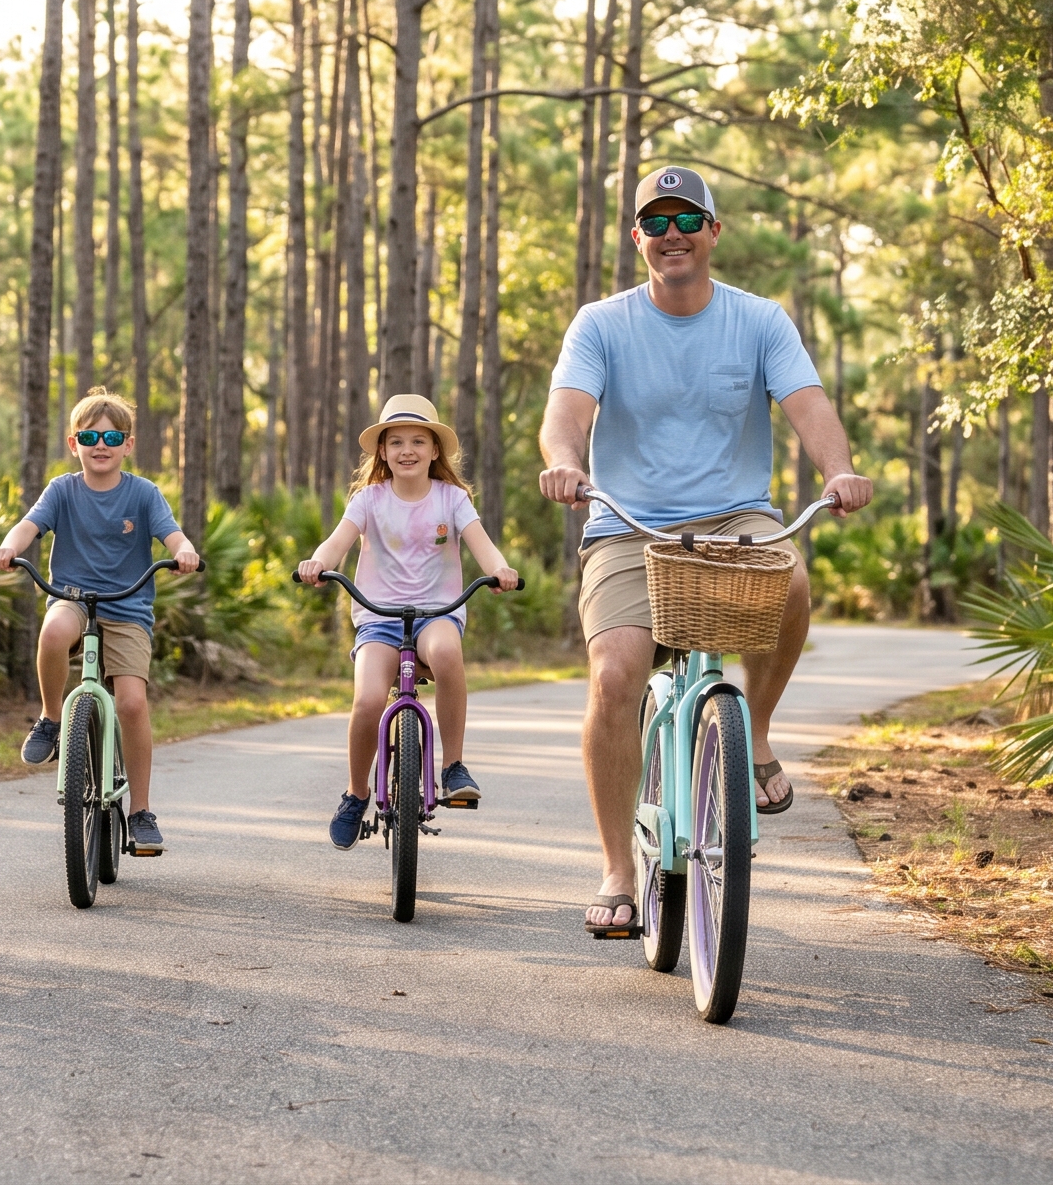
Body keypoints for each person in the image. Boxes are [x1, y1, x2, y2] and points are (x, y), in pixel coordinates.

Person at [534, 167, 873, 937]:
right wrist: (566, 462)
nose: (672, 233)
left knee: (789, 581)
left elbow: (807, 405)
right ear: (638, 240)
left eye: (687, 218)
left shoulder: (758, 321)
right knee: (617, 674)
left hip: (735, 517)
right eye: (655, 222)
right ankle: (620, 870)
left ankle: (752, 731)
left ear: (714, 232)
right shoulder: (602, 323)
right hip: (627, 524)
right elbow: (567, 414)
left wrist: (839, 471)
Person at [296, 394, 521, 851]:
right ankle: (357, 792)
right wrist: (317, 563)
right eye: (395, 441)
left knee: (445, 653)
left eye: (418, 440)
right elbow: (337, 542)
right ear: (382, 451)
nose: (407, 450)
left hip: (436, 612)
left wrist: (500, 570)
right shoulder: (369, 500)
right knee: (368, 701)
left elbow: (482, 544)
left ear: (435, 450)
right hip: (378, 617)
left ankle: (453, 765)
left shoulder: (452, 499)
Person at [0, 389, 202, 855]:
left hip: (127, 607)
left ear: (127, 444)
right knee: (54, 632)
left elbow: (172, 534)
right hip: (72, 597)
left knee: (131, 702)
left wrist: (182, 551)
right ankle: (49, 718)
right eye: (89, 435)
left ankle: (141, 810)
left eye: (110, 436)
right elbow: (28, 526)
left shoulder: (143, 493)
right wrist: (9, 546)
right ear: (73, 443)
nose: (99, 444)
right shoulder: (62, 490)